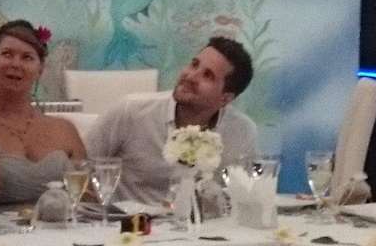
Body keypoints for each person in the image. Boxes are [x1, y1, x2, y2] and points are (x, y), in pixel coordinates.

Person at [85, 37, 257, 209]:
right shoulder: (131, 111)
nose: (191, 76)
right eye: (194, 65)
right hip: (129, 222)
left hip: (203, 224)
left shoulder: (242, 131)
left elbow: (244, 197)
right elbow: (80, 167)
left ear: (225, 98)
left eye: (207, 75)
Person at [0, 21, 89, 207]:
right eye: (7, 54)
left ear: (40, 69)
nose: (16, 64)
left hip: (60, 224)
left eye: (27, 57)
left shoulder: (65, 129)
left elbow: (87, 199)